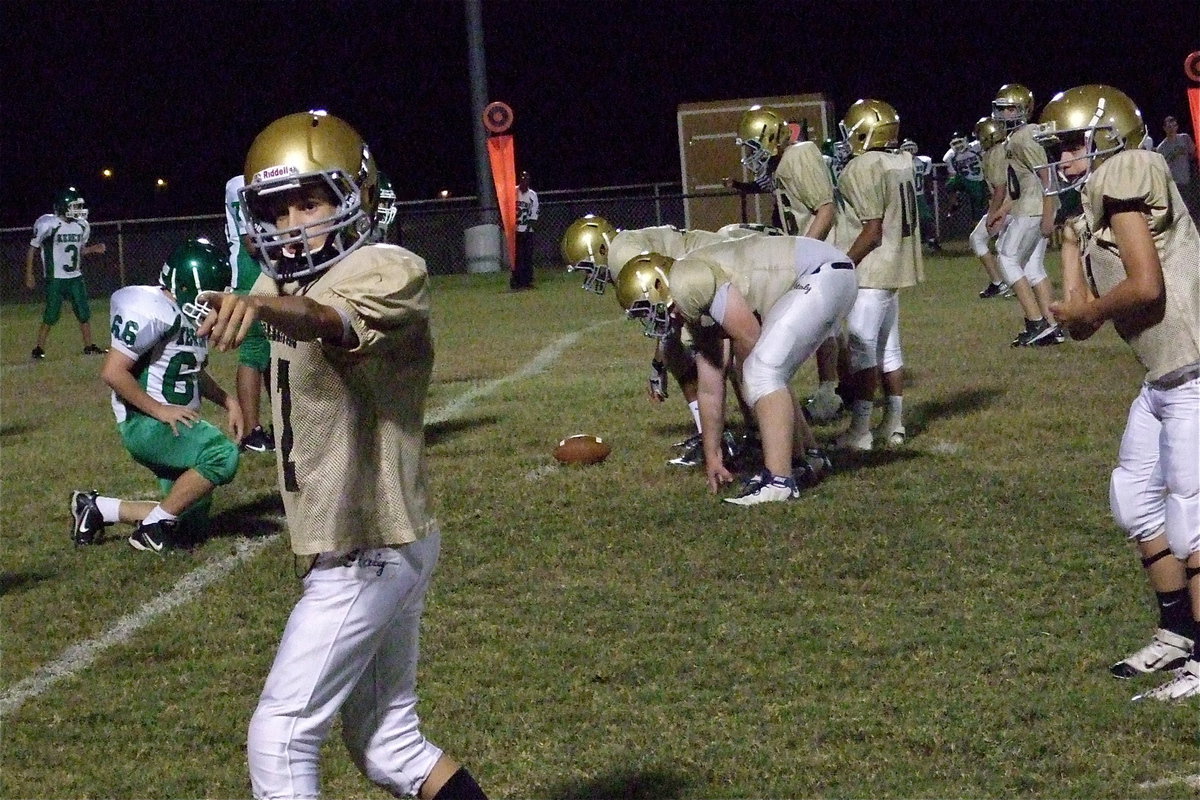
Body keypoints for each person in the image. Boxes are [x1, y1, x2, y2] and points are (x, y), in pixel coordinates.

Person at [194, 110, 489, 800]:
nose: (292, 224)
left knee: (280, 736)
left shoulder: (387, 267)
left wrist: (262, 308)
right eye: (277, 209)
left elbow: (330, 319)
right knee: (389, 746)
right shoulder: (282, 283)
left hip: (369, 542)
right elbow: (267, 312)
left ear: (356, 198)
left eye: (310, 203)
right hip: (371, 539)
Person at [1036, 85, 1200, 703]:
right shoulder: (1091, 205)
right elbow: (1079, 318)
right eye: (1058, 148)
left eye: (1072, 144)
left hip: (1194, 372)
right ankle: (1178, 632)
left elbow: (1146, 285)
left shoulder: (1126, 171)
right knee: (1134, 502)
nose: (1064, 158)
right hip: (1165, 377)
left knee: (1192, 520)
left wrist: (1093, 312)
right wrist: (1070, 246)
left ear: (1107, 137)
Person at [616, 235, 854, 505]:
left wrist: (750, 382)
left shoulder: (686, 281)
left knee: (761, 370)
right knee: (766, 371)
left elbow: (749, 335)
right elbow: (710, 385)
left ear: (658, 286)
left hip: (821, 273)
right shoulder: (690, 301)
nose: (649, 320)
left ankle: (779, 481)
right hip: (823, 274)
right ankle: (807, 459)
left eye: (645, 309)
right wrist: (713, 454)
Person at [69, 238, 241, 552]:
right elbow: (113, 372)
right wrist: (160, 410)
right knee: (221, 455)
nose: (215, 304)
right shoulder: (153, 310)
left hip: (176, 424)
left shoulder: (188, 317)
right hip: (148, 423)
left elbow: (192, 371)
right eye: (210, 295)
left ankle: (98, 508)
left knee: (188, 523)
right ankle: (149, 531)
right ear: (185, 286)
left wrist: (228, 401)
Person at [561, 215, 745, 466]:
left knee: (723, 355)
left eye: (587, 267)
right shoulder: (622, 252)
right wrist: (659, 362)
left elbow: (663, 302)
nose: (589, 275)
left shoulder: (623, 256)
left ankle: (743, 436)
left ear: (601, 249)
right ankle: (711, 434)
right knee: (678, 352)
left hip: (712, 275)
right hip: (698, 279)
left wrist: (658, 364)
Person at [730, 105, 850, 424]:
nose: (750, 153)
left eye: (753, 145)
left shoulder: (799, 155)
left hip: (821, 253)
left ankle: (830, 393)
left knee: (823, 328)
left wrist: (804, 253)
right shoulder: (783, 161)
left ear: (771, 138)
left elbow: (825, 209)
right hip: (814, 252)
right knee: (828, 329)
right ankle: (838, 391)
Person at [832, 99, 924, 452]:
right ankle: (894, 423)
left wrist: (843, 264)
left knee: (862, 351)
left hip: (871, 271)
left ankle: (861, 429)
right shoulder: (901, 160)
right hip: (893, 267)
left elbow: (872, 231)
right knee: (889, 349)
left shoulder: (863, 166)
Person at [984, 83, 1064, 347]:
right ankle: (1053, 326)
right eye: (1001, 108)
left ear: (1024, 110)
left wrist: (1048, 213)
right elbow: (1021, 183)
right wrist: (1002, 211)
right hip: (1031, 204)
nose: (1003, 114)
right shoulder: (1018, 136)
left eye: (1010, 109)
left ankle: (1036, 322)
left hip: (1033, 208)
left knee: (1007, 258)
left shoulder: (1024, 136)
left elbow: (1046, 175)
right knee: (1032, 267)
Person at [24, 187, 108, 359]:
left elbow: (80, 250)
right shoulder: (49, 224)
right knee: (51, 314)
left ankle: (89, 346)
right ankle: (38, 348)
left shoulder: (81, 225)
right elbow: (33, 248)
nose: (78, 210)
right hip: (55, 278)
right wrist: (29, 274)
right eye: (74, 206)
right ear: (64, 206)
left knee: (83, 312)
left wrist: (93, 249)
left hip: (75, 277)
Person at [224, 174, 275, 453]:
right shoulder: (242, 183)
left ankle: (280, 424)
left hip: (265, 272)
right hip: (251, 273)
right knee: (254, 350)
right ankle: (251, 431)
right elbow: (252, 243)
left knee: (274, 351)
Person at [971, 117, 1015, 299]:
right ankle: (1007, 283)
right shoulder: (1005, 147)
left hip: (1010, 205)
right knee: (1006, 248)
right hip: (1015, 203)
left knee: (978, 239)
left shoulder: (995, 153)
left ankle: (1001, 283)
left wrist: (993, 214)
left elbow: (1000, 188)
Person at [1156, 115, 1198, 220]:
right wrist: (1172, 156)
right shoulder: (1161, 148)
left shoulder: (1184, 138)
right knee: (1182, 210)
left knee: (1193, 207)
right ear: (1164, 128)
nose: (1172, 129)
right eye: (1169, 127)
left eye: (1174, 126)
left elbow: (1194, 153)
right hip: (1175, 183)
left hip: (1189, 179)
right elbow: (1161, 167)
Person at [901, 139, 940, 251]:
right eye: (907, 149)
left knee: (926, 219)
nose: (909, 151)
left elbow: (926, 179)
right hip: (906, 196)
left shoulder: (923, 161)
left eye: (911, 149)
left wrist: (929, 192)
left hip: (918, 195)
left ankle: (931, 241)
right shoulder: (901, 163)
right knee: (905, 221)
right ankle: (908, 244)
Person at [943, 130, 989, 222]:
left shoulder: (976, 146)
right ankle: (955, 202)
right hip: (965, 179)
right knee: (950, 184)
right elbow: (952, 174)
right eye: (955, 143)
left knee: (978, 204)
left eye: (959, 142)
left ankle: (976, 222)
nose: (958, 145)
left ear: (966, 140)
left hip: (979, 180)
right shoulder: (950, 156)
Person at [511, 170, 538, 291]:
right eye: (522, 179)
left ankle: (527, 281)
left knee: (527, 257)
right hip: (515, 230)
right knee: (517, 257)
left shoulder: (532, 195)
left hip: (527, 230)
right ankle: (516, 280)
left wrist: (528, 228)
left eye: (526, 180)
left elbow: (534, 213)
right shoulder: (513, 192)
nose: (524, 182)